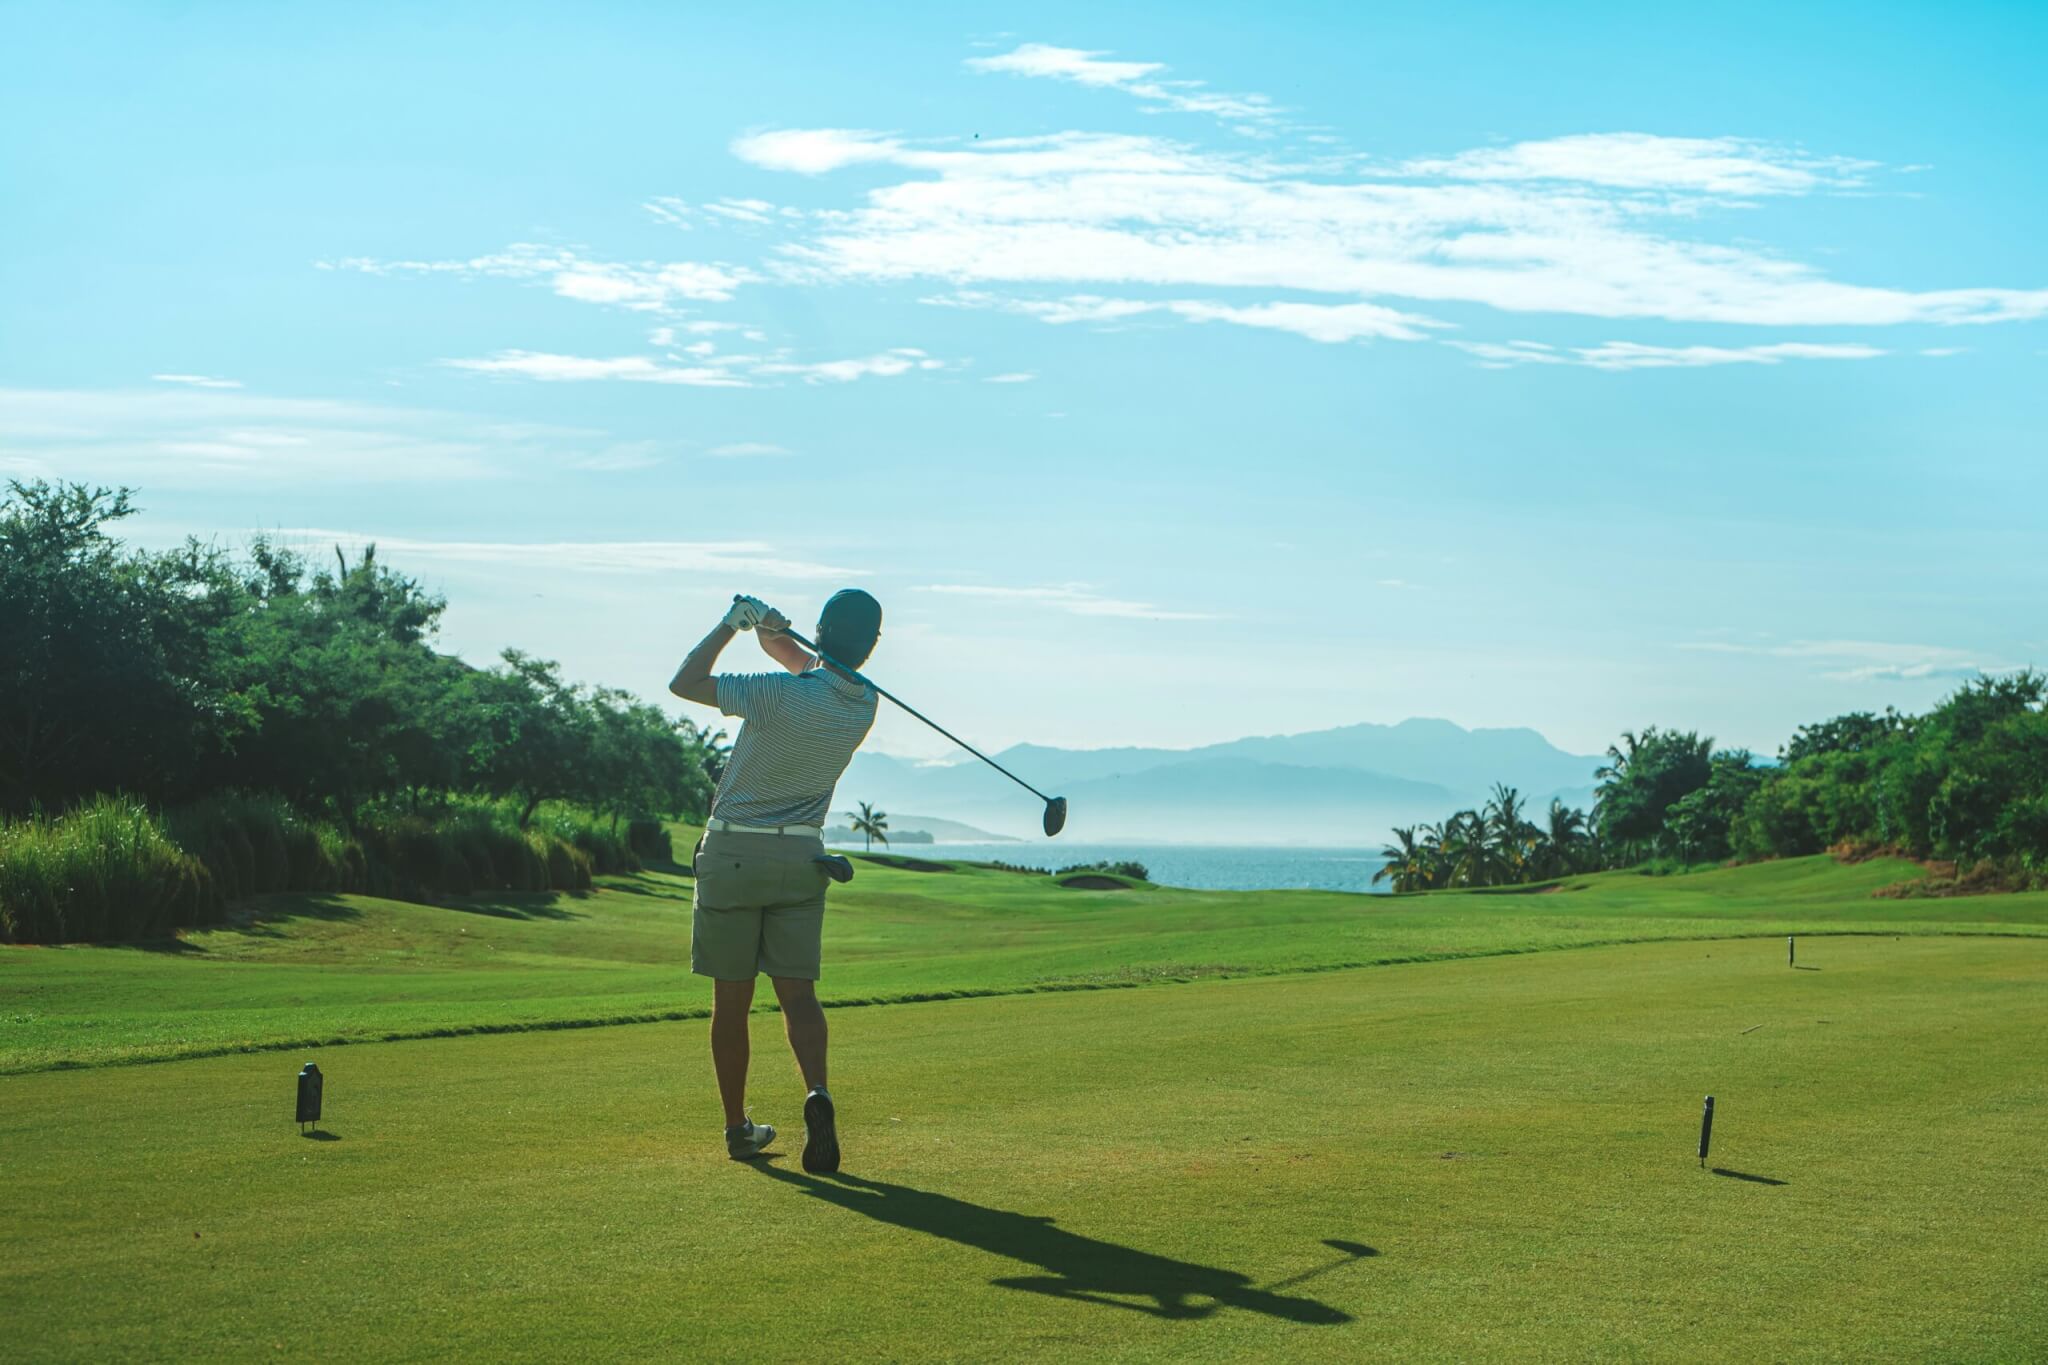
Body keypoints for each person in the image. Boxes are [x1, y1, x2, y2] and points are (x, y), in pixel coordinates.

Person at [668, 589, 883, 1170]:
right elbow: (809, 665)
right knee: (799, 996)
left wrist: (729, 626)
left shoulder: (772, 694)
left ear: (821, 628)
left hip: (734, 852)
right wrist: (771, 636)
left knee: (731, 1001)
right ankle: (817, 1091)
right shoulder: (863, 703)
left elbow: (685, 683)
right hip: (801, 861)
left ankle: (739, 1128)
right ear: (872, 646)